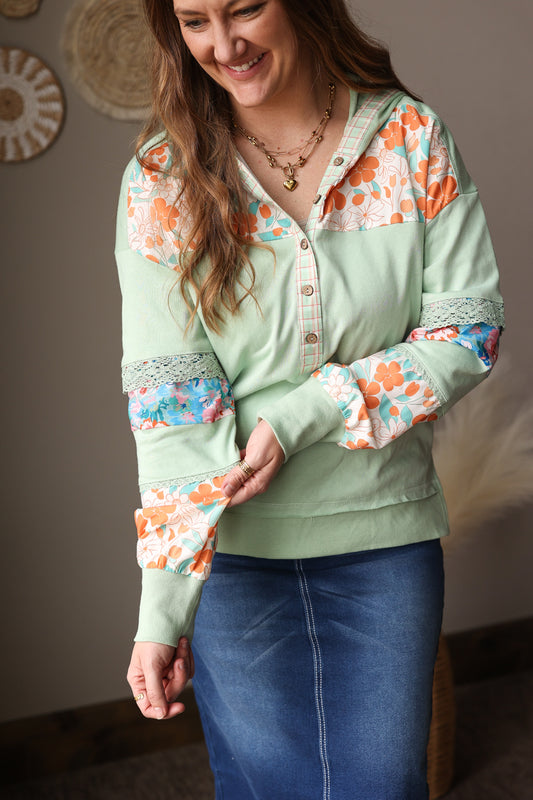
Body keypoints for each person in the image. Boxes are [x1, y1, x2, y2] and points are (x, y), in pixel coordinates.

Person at [115, 0, 504, 796]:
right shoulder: (161, 180)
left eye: (245, 9)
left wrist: (304, 415)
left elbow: (466, 334)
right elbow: (173, 415)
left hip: (383, 544)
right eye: (194, 21)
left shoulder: (409, 141)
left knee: (381, 787)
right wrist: (162, 611)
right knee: (263, 788)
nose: (223, 45)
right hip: (234, 557)